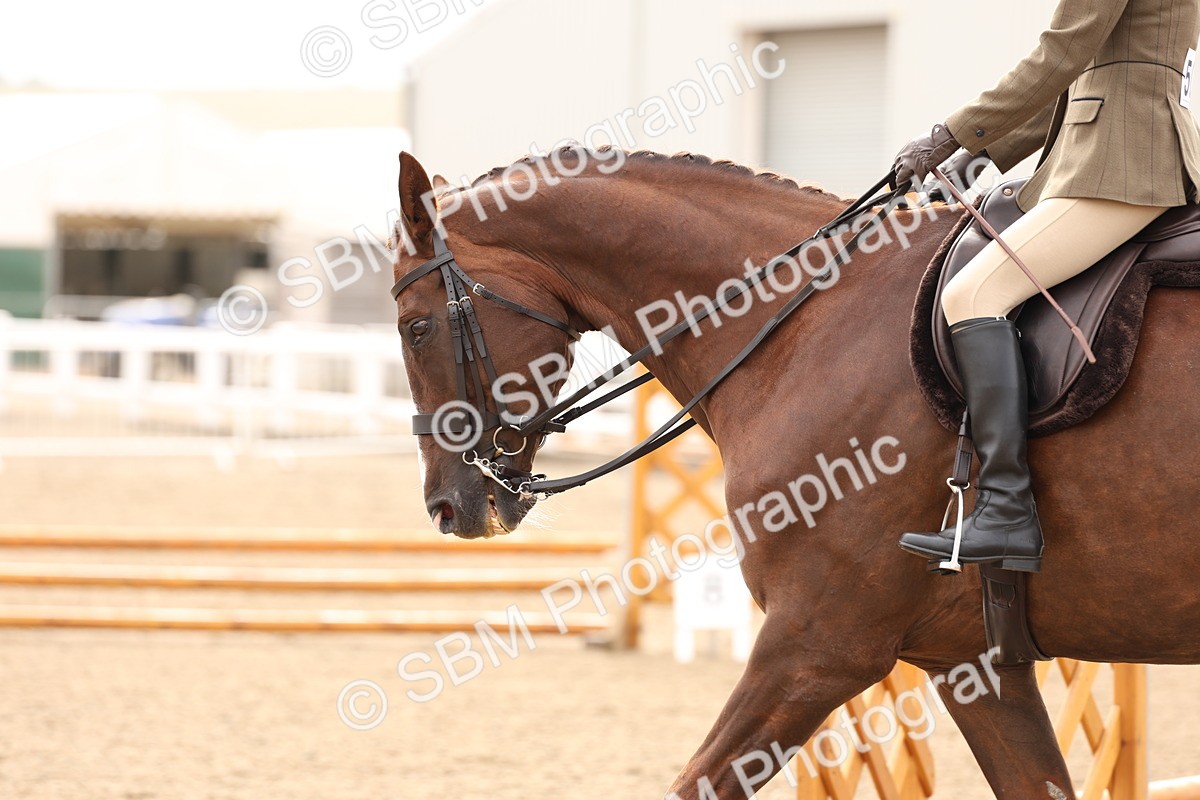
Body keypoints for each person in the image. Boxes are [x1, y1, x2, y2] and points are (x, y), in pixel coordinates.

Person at [893, 0, 1200, 573]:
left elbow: (1062, 51)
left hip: (1123, 163)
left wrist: (946, 134)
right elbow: (1085, 77)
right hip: (1117, 147)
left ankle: (1006, 510)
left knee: (972, 295)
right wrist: (979, 155)